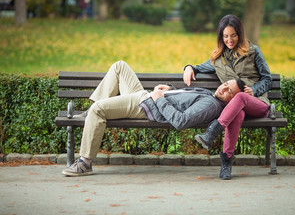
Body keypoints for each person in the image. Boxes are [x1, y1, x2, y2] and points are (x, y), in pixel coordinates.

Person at [62, 60, 243, 177]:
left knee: (98, 109)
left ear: (233, 99)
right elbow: (182, 97)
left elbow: (180, 121)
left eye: (229, 91)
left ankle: (85, 162)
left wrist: (158, 99)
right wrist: (170, 89)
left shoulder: (211, 105)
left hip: (146, 106)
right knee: (119, 66)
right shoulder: (210, 95)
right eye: (225, 84)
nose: (223, 88)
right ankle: (90, 115)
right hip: (146, 96)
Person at [183, 14, 272, 180]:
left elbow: (267, 79)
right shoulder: (217, 59)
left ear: (239, 34)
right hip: (235, 109)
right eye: (225, 36)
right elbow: (198, 67)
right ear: (220, 37)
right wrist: (189, 67)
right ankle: (226, 163)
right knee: (237, 113)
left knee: (240, 97)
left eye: (233, 35)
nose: (229, 40)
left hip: (257, 103)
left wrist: (254, 90)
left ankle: (212, 132)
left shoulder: (253, 51)